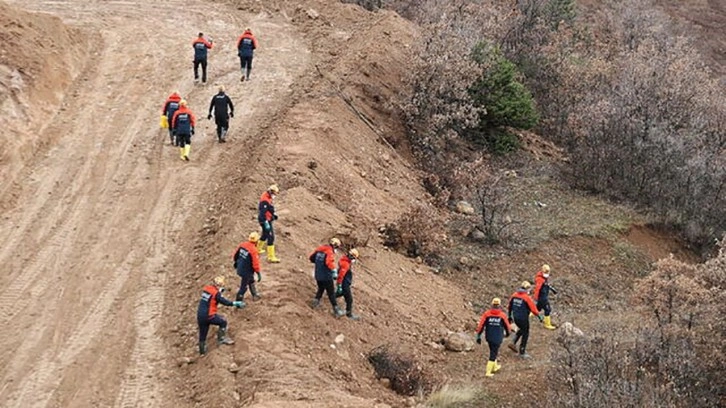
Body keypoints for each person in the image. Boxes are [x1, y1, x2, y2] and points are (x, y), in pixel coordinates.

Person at [196, 276, 244, 355]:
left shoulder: (207, 289)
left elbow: (211, 297)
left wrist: (219, 292)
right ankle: (221, 339)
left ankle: (202, 351)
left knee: (203, 333)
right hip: (209, 315)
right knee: (223, 322)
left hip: (200, 315)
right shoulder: (216, 293)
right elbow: (224, 301)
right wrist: (234, 303)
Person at [475, 297, 511, 377]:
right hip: (498, 337)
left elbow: (481, 325)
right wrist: (508, 334)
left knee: (493, 350)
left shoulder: (487, 314)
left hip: (489, 337)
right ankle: (488, 371)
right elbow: (507, 327)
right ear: (499, 305)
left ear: (492, 305)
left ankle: (494, 367)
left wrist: (478, 336)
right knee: (493, 353)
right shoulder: (502, 315)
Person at [309, 237, 345, 317]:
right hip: (326, 276)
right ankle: (336, 310)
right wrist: (334, 271)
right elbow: (329, 262)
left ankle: (315, 302)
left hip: (318, 275)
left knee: (321, 288)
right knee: (331, 293)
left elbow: (311, 258)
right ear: (335, 246)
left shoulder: (320, 250)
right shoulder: (329, 252)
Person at [507, 281, 542, 359]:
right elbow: (534, 309)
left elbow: (509, 306)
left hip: (515, 317)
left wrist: (509, 316)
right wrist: (540, 317)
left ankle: (513, 342)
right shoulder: (526, 298)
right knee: (525, 333)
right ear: (527, 289)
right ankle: (522, 351)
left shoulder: (514, 295)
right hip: (523, 318)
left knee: (522, 329)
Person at [233, 232, 262, 302]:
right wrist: (258, 273)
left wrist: (236, 262)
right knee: (243, 287)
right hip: (247, 271)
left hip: (240, 267)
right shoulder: (253, 250)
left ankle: (255, 294)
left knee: (251, 280)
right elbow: (255, 263)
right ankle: (238, 301)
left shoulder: (243, 245)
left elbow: (235, 255)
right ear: (257, 241)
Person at [336, 248, 360, 320]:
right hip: (345, 283)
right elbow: (341, 275)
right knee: (349, 299)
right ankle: (349, 314)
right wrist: (339, 285)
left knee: (341, 293)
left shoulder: (344, 260)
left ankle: (331, 297)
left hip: (344, 282)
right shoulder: (346, 264)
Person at [258, 184, 280, 263]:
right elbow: (262, 213)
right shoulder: (265, 200)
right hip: (265, 220)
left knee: (264, 234)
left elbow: (269, 208)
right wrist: (265, 222)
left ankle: (258, 248)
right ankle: (271, 257)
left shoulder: (268, 197)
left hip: (268, 218)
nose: (275, 196)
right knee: (271, 237)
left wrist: (273, 215)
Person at [534, 264, 558, 330]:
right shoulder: (540, 279)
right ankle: (547, 324)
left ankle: (526, 316)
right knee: (547, 309)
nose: (547, 274)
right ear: (542, 271)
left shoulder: (544, 278)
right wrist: (535, 297)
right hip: (542, 297)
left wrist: (553, 290)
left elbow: (546, 285)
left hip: (543, 296)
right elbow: (537, 288)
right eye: (546, 272)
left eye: (548, 272)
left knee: (537, 309)